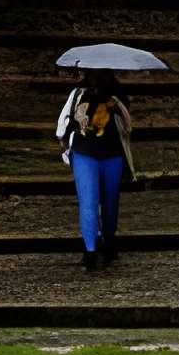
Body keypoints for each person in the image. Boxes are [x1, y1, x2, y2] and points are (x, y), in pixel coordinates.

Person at [56, 74, 139, 271]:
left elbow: (128, 126)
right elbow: (62, 128)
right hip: (85, 154)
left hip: (111, 155)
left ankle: (106, 241)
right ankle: (90, 250)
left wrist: (117, 107)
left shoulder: (117, 97)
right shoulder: (77, 95)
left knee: (110, 203)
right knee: (89, 201)